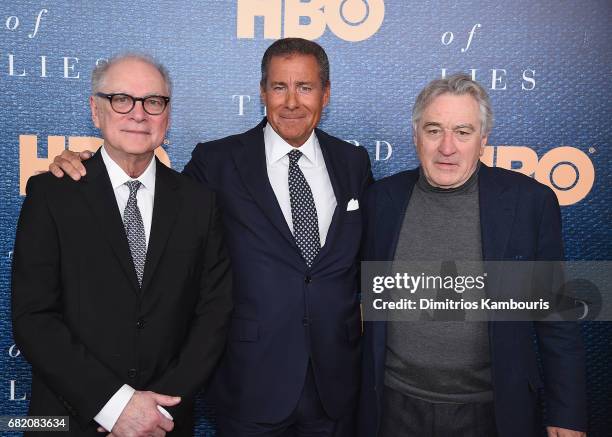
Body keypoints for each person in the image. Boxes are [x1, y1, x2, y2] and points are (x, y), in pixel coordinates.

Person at [49, 38, 373, 437]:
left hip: (336, 386)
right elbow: (153, 209)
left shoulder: (353, 163)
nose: (291, 101)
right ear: (261, 92)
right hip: (250, 386)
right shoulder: (217, 162)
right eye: (278, 87)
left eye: (305, 87)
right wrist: (89, 166)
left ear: (325, 93)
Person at [12, 54, 233, 436]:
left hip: (163, 423)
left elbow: (213, 315)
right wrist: (115, 408)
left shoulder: (200, 203)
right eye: (121, 100)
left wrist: (153, 412)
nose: (138, 114)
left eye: (153, 101)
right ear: (95, 111)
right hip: (68, 422)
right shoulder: (51, 195)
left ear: (168, 114)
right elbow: (34, 318)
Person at [357, 73, 587, 437]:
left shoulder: (529, 202)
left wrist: (567, 412)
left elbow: (556, 314)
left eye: (463, 132)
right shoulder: (380, 200)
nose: (447, 147)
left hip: (492, 411)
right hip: (392, 407)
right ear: (416, 136)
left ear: (483, 140)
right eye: (434, 130)